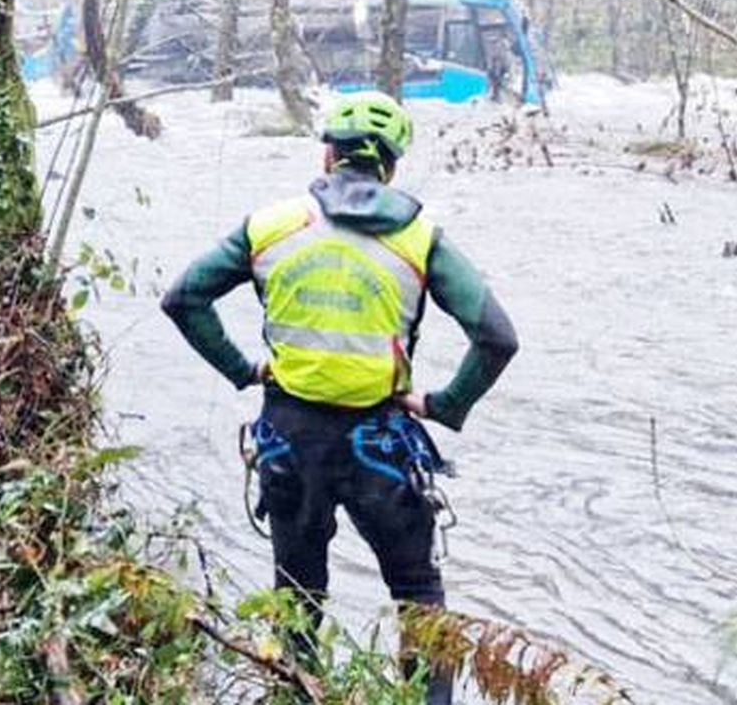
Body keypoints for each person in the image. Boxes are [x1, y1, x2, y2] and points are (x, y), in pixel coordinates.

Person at [161, 91, 519, 704]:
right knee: (420, 600)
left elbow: (183, 298)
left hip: (289, 440)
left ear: (328, 155)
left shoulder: (270, 225)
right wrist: (445, 405)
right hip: (380, 444)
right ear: (392, 166)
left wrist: (243, 370)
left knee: (298, 599)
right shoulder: (422, 238)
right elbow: (496, 338)